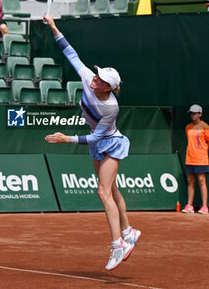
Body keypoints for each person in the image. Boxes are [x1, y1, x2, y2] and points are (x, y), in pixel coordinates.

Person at [44, 14, 141, 271]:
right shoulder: (89, 78)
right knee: (112, 190)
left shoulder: (109, 107)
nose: (93, 79)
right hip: (98, 145)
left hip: (110, 143)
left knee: (103, 192)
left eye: (100, 80)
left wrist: (67, 139)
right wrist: (54, 27)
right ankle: (128, 230)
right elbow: (71, 54)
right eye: (96, 76)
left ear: (108, 88)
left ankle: (118, 243)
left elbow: (98, 136)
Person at [182, 104, 209, 215]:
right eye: (191, 113)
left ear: (200, 114)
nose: (192, 115)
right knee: (190, 181)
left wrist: (203, 152)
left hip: (201, 158)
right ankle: (189, 205)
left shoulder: (205, 126)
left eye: (195, 113)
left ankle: (204, 206)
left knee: (201, 181)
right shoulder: (188, 127)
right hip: (190, 158)